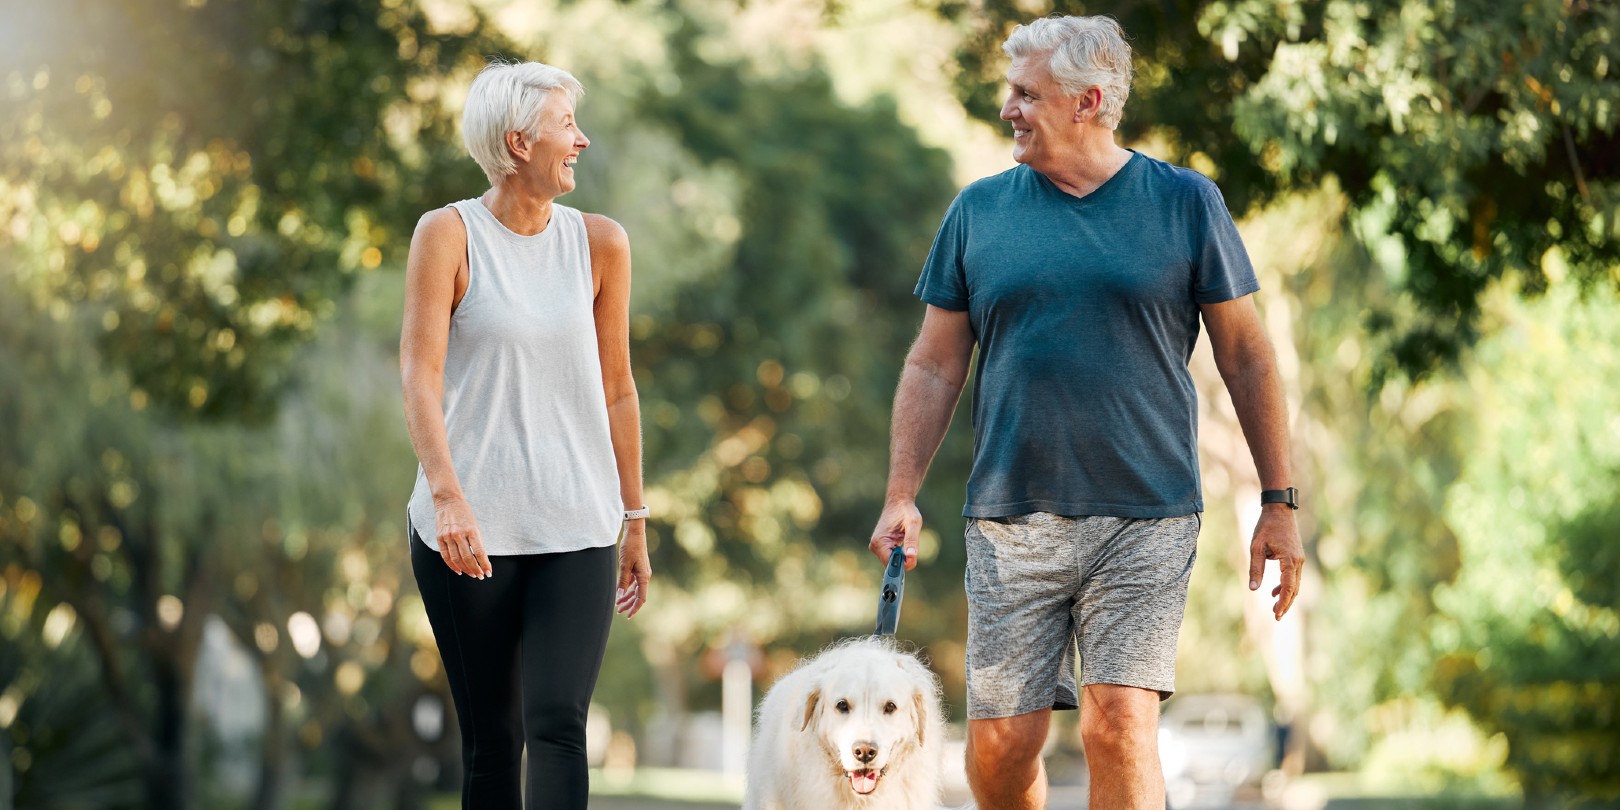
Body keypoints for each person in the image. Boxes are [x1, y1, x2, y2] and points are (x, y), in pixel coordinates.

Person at [867, 15, 1304, 810]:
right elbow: (934, 364)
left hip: (1146, 513)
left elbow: (1246, 354)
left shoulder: (1183, 202)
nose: (1009, 109)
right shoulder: (980, 211)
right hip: (1010, 516)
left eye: (1026, 94)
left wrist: (1279, 501)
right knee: (1002, 749)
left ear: (1088, 102)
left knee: (1120, 728)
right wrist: (902, 493)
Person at [400, 60, 652, 810]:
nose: (581, 140)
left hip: (577, 523)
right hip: (467, 530)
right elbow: (419, 377)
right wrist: (448, 499)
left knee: (558, 724)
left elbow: (618, 389)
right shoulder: (447, 235)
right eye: (565, 126)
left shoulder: (601, 243)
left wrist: (634, 518)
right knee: (492, 738)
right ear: (517, 142)